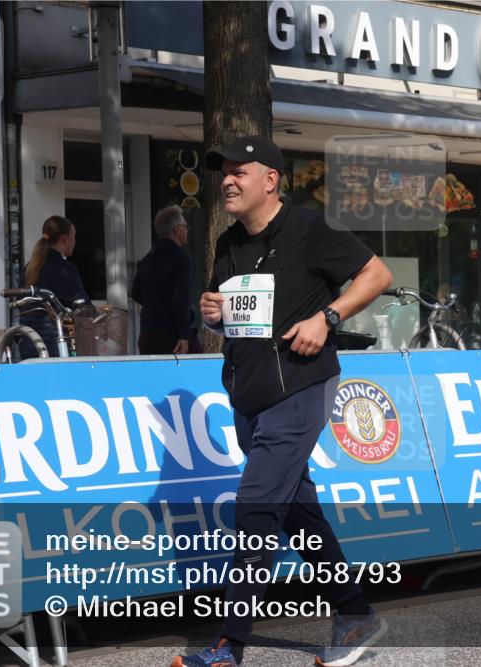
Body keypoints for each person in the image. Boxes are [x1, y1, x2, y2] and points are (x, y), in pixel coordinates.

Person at [173, 136, 393, 667]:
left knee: (256, 507)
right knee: (298, 513)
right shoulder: (227, 245)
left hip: (301, 388)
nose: (226, 179)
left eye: (238, 171)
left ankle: (229, 646)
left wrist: (329, 318)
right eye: (223, 172)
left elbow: (377, 275)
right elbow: (230, 313)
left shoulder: (311, 229)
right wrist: (211, 312)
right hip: (249, 395)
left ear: (270, 179)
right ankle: (354, 613)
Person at [131, 205, 200, 354]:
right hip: (173, 336)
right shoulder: (181, 260)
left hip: (148, 334)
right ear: (176, 229)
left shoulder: (147, 259)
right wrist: (184, 335)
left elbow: (135, 293)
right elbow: (181, 299)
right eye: (185, 226)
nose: (187, 230)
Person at [20, 216, 91, 357]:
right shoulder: (65, 269)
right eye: (74, 237)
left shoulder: (30, 267)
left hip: (28, 343)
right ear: (65, 238)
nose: (75, 242)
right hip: (54, 344)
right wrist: (95, 314)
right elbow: (82, 305)